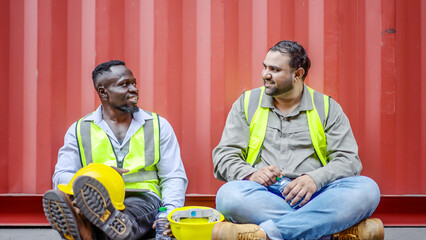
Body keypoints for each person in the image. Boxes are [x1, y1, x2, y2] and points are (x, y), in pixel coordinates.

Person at [211, 40, 383, 240]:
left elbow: (349, 161)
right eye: (265, 67)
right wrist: (251, 174)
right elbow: (224, 156)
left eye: (274, 69)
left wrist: (314, 179)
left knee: (367, 189)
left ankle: (265, 235)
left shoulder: (327, 108)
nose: (265, 74)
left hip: (317, 196)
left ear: (298, 74)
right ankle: (331, 232)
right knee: (229, 195)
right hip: (265, 194)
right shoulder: (247, 103)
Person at [43, 60, 188, 240]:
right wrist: (98, 177)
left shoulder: (158, 126)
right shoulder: (79, 129)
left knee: (124, 217)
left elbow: (173, 176)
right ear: (103, 92)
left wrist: (170, 213)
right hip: (99, 201)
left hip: (142, 197)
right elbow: (61, 177)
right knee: (109, 218)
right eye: (124, 84)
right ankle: (90, 224)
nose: (134, 89)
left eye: (134, 83)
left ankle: (87, 228)